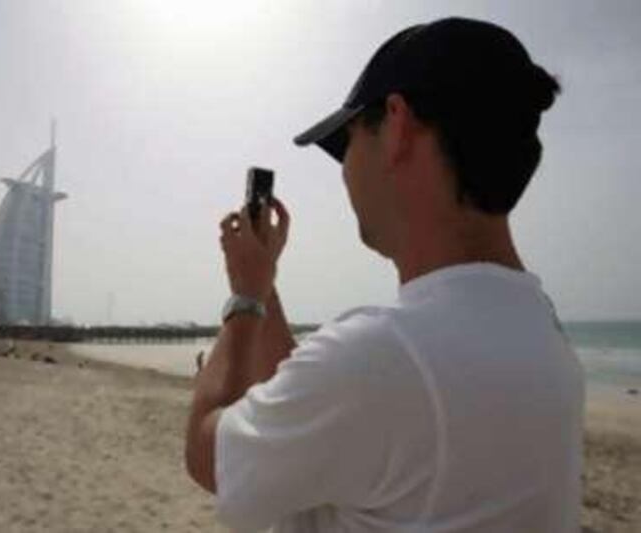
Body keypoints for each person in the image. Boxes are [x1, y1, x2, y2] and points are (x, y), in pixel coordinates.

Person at [185, 17, 583, 532]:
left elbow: (207, 456)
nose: (346, 172)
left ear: (396, 126)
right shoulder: (540, 331)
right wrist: (266, 283)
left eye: (345, 145)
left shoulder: (388, 355)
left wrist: (244, 300)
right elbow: (323, 407)